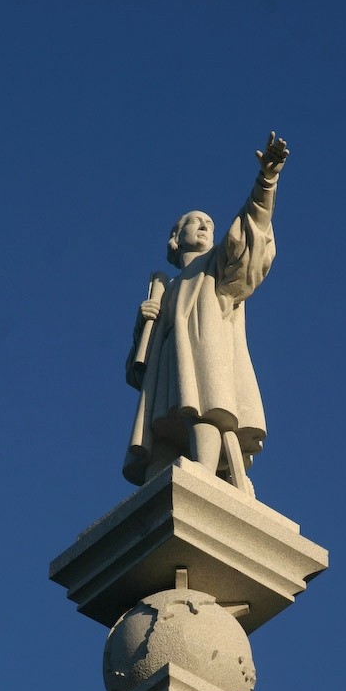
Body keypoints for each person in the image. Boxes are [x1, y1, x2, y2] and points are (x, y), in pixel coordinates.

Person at [122, 132, 289, 492]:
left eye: (209, 224)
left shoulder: (216, 266)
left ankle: (206, 471)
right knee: (162, 445)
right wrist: (141, 328)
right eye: (195, 221)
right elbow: (136, 375)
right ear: (176, 237)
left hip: (203, 356)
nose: (204, 226)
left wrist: (266, 182)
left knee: (203, 408)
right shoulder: (165, 288)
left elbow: (249, 235)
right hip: (169, 371)